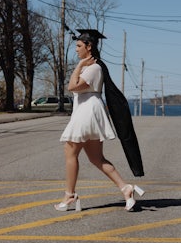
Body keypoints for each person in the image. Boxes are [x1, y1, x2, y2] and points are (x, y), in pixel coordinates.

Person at [54, 29, 144, 212]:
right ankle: (126, 188)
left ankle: (69, 195)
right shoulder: (93, 67)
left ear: (89, 46)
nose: (77, 50)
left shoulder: (93, 68)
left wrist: (79, 67)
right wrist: (80, 66)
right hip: (89, 111)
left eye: (79, 46)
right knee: (96, 158)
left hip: (87, 112)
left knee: (70, 153)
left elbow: (72, 87)